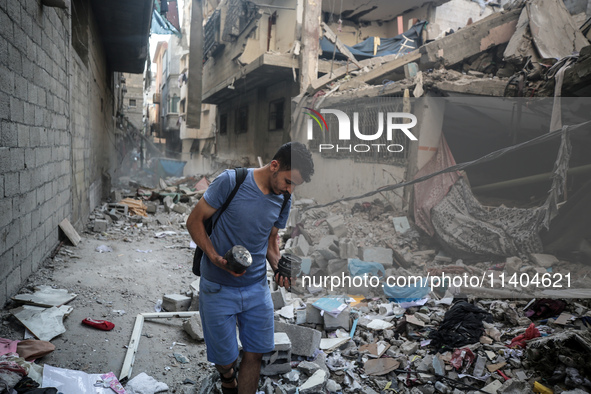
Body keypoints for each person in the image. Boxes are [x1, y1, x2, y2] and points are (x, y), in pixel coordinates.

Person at [186, 142, 314, 394]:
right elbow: (194, 221)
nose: (290, 189)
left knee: (255, 354)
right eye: (288, 181)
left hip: (256, 288)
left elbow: (270, 240)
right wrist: (214, 258)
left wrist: (279, 268)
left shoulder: (284, 197)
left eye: (294, 185)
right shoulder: (231, 181)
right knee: (225, 359)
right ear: (274, 166)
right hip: (218, 286)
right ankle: (227, 377)